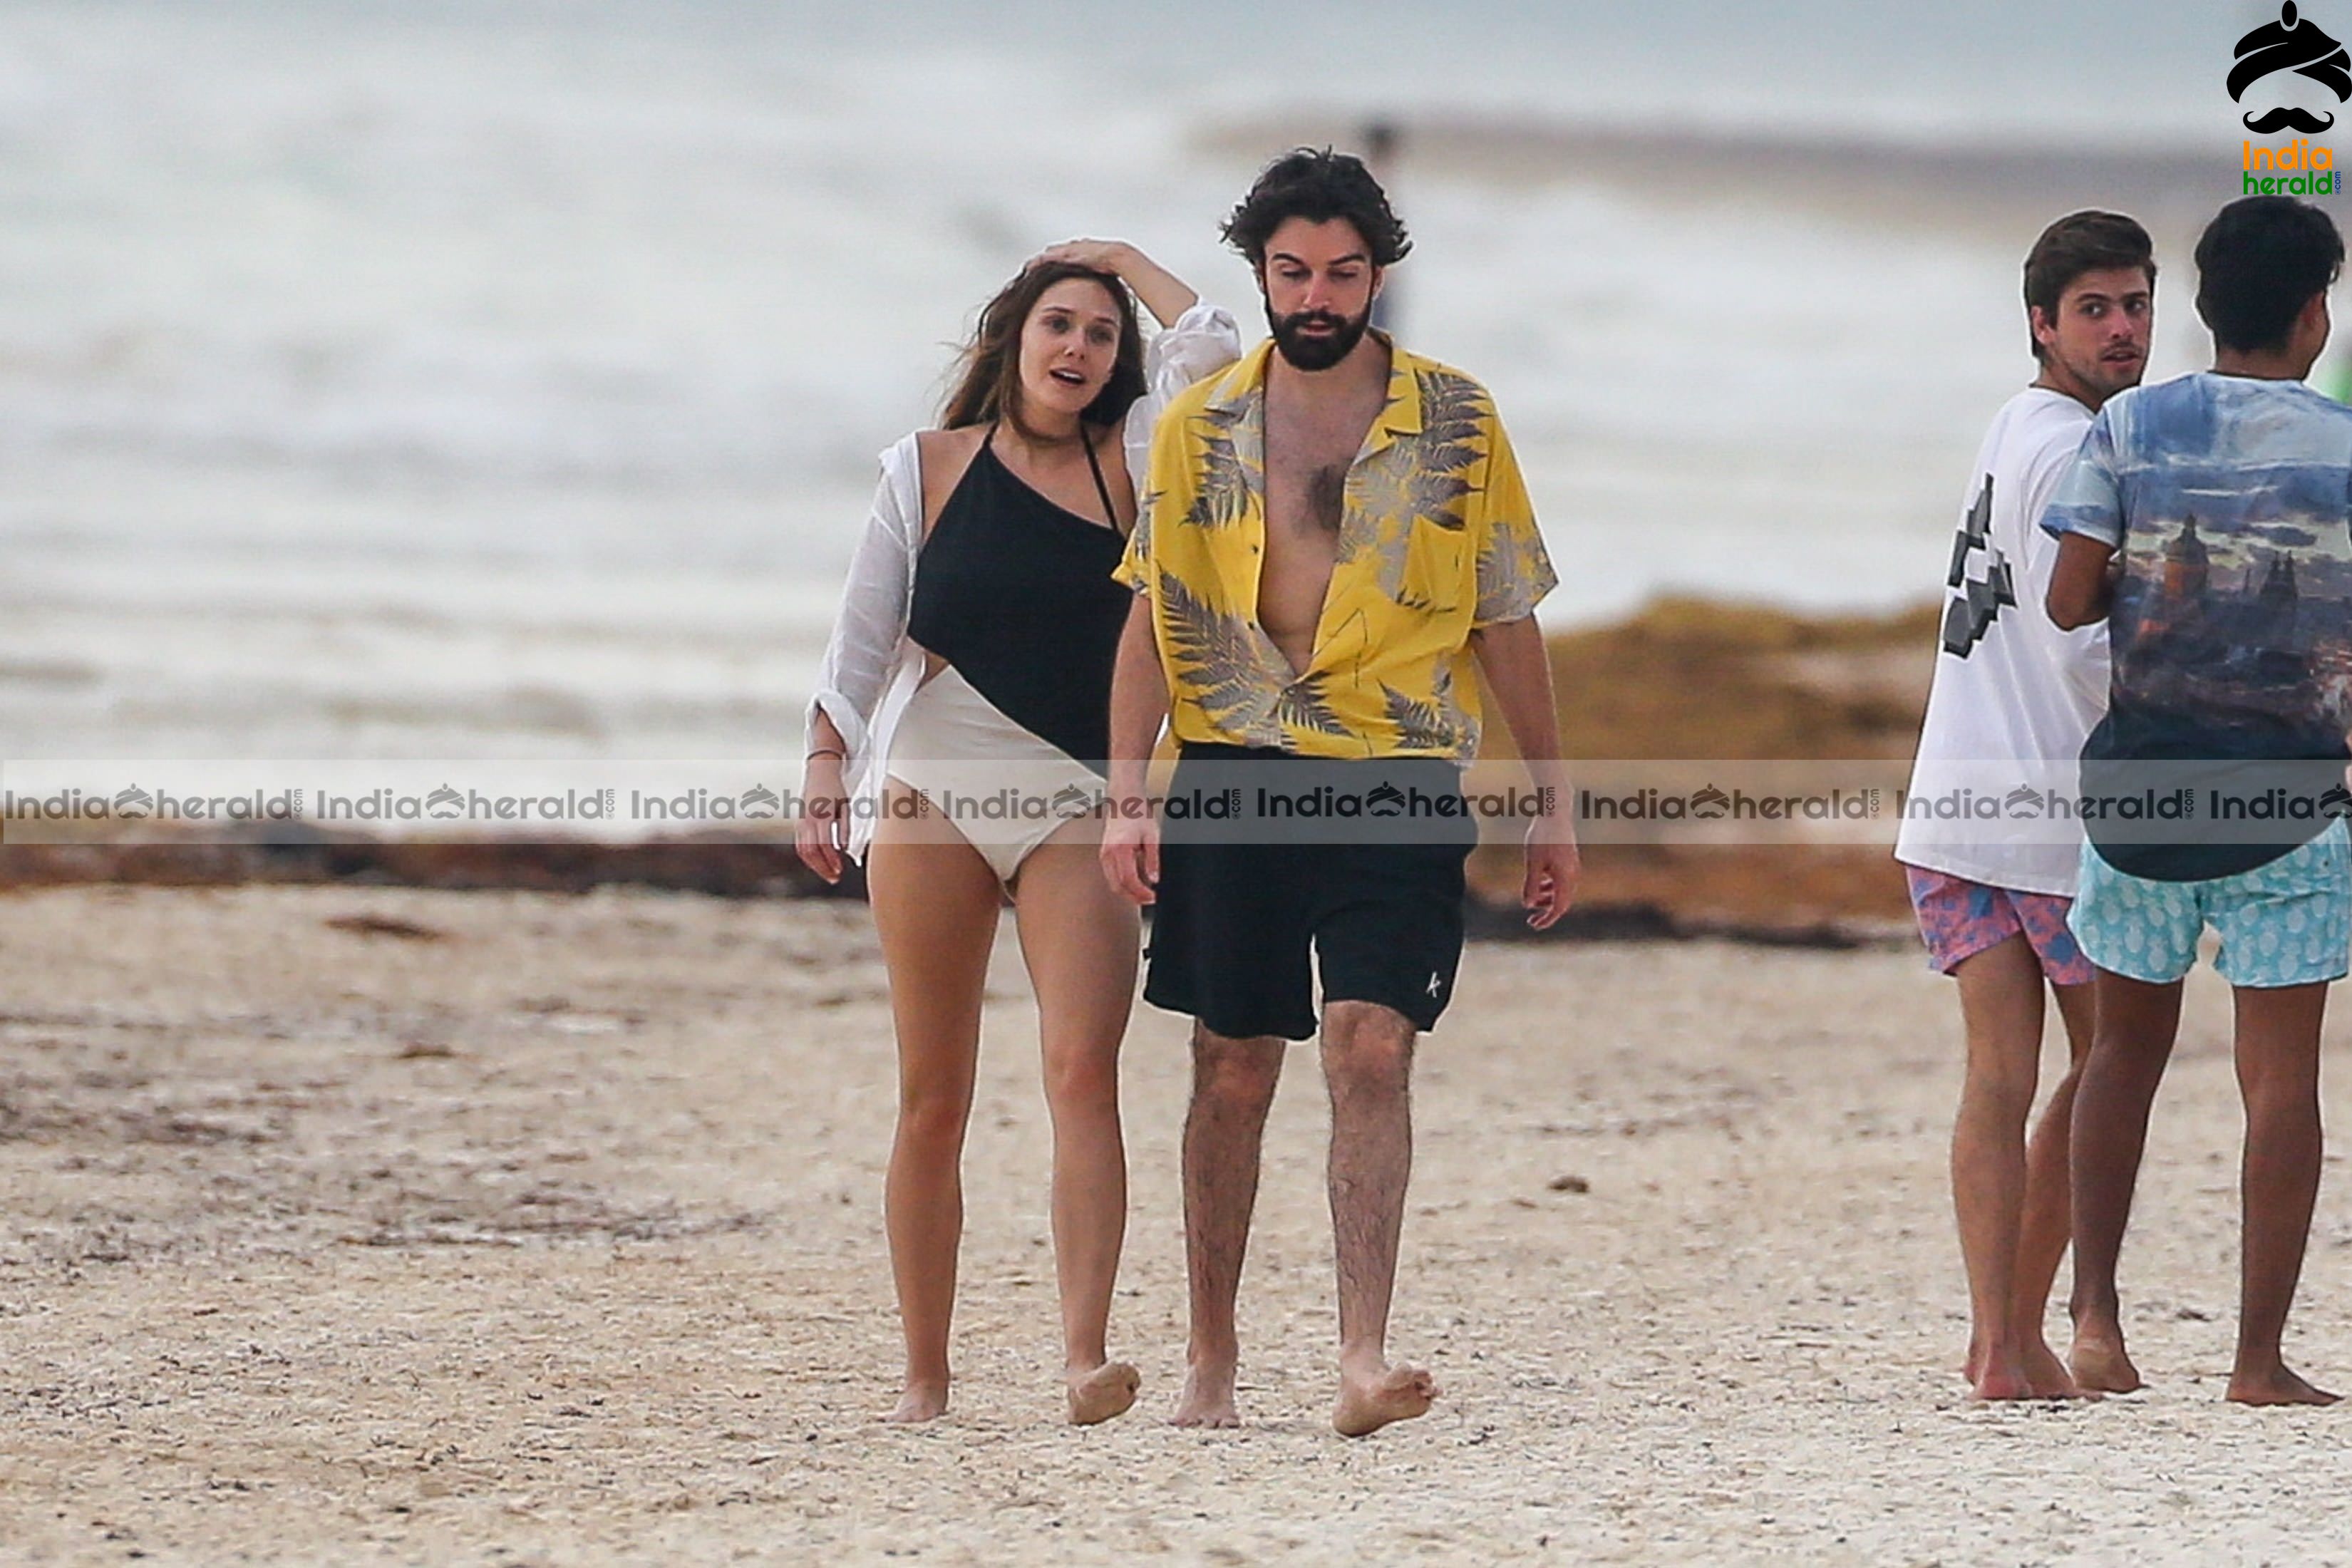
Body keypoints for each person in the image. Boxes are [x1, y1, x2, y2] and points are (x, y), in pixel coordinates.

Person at [1100, 150, 1577, 1436]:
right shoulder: (1199, 425)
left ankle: (1363, 1358)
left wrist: (1551, 797)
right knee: (1232, 1064)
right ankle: (1211, 1360)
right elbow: (1153, 615)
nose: (1319, 296)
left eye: (1345, 272)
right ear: (1261, 275)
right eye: (1295, 272)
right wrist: (1127, 793)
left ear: (1380, 276)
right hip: (1236, 769)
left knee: (1374, 1046)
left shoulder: (1461, 422)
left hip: (1398, 770)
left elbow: (1507, 614)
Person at [797, 243, 1239, 1424]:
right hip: (934, 784)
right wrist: (824, 763)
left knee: (1081, 1074)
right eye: (1059, 324)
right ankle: (925, 1382)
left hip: (1080, 795)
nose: (1078, 349)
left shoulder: (1143, 459)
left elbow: (1209, 343)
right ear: (1013, 338)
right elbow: (864, 632)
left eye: (1099, 333)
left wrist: (1114, 260)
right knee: (931, 1095)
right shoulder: (926, 466)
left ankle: (1083, 1359)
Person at [2046, 195, 2352, 1405]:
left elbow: (2070, 601)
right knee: (2282, 1084)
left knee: (2122, 1055)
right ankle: (2257, 1361)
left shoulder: (2129, 424)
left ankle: (2099, 1328)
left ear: (2206, 306)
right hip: (2288, 802)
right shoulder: (2343, 449)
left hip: (2143, 792)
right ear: (2315, 311)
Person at [1894, 211, 2154, 1401]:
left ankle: (2003, 1342)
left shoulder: (2016, 425)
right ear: (2041, 323)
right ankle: (2070, 1327)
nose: (2121, 329)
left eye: (2136, 304)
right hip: (2051, 816)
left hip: (1955, 797)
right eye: (2094, 309)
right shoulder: (2081, 452)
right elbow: (2079, 646)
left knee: (2000, 1076)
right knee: (2108, 1069)